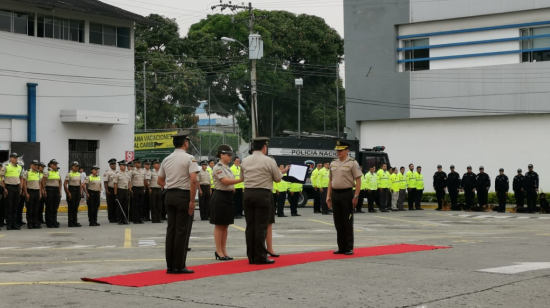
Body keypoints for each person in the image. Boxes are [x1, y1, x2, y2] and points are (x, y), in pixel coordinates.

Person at [157, 130, 199, 274]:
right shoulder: (189, 159)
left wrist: (170, 186)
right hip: (183, 196)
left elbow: (159, 180)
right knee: (182, 231)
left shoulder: (166, 159)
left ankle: (170, 265)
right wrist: (192, 201)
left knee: (171, 230)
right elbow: (193, 180)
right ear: (185, 143)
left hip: (169, 195)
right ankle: (179, 265)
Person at [242, 137, 288, 265]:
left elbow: (241, 177)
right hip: (263, 194)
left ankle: (251, 256)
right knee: (261, 226)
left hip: (248, 193)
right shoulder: (269, 160)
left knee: (250, 226)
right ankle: (260, 256)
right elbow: (278, 179)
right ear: (264, 147)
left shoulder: (245, 160)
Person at [327, 140, 362, 256]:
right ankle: (341, 247)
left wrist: (356, 196)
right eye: (337, 150)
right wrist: (328, 196)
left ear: (347, 151)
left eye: (340, 150)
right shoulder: (333, 163)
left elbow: (358, 180)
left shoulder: (352, 163)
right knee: (338, 221)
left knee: (347, 221)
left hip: (347, 194)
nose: (338, 152)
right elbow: (330, 181)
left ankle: (348, 247)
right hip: (335, 194)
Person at [210, 144, 243, 261]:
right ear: (221, 154)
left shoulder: (227, 167)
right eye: (228, 155)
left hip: (228, 196)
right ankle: (218, 251)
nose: (230, 157)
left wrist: (233, 188)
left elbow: (230, 183)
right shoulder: (218, 167)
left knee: (226, 225)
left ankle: (223, 250)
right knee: (219, 225)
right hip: (220, 196)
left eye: (231, 155)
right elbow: (225, 181)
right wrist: (241, 179)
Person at [1, 153, 23, 230]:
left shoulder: (20, 167)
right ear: (10, 158)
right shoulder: (6, 166)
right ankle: (9, 224)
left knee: (15, 206)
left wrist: (20, 187)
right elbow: (2, 177)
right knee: (9, 207)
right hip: (9, 187)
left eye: (16, 157)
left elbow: (21, 178)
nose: (16, 159)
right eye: (14, 157)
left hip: (17, 187)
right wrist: (4, 188)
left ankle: (14, 223)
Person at [41, 159, 62, 228]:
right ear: (50, 165)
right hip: (49, 189)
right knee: (49, 207)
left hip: (56, 190)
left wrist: (60, 191)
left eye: (56, 164)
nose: (56, 166)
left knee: (55, 207)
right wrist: (44, 190)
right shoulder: (47, 172)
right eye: (55, 164)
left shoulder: (57, 172)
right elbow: (43, 182)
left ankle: (54, 221)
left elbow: (60, 182)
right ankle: (49, 222)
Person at [23, 160, 41, 229]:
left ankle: (35, 222)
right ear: (31, 165)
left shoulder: (38, 173)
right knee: (30, 208)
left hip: (36, 191)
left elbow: (39, 183)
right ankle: (30, 223)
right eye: (35, 165)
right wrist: (26, 193)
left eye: (37, 165)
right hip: (30, 191)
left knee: (36, 209)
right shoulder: (27, 172)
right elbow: (24, 183)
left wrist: (39, 193)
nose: (36, 166)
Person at [64, 161, 83, 227]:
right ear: (72, 167)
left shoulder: (78, 174)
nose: (76, 167)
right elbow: (65, 184)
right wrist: (68, 192)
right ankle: (70, 222)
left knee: (76, 207)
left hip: (77, 189)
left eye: (77, 166)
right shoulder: (69, 174)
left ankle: (75, 221)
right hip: (71, 189)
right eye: (75, 166)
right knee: (71, 207)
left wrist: (80, 192)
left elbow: (80, 183)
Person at [129, 158, 146, 224]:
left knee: (141, 204)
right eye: (138, 163)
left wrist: (144, 188)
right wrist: (130, 188)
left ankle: (140, 218)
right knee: (135, 204)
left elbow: (144, 180)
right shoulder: (132, 171)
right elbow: (129, 180)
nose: (139, 164)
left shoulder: (142, 171)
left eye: (140, 163)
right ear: (135, 164)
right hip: (135, 188)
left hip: (141, 188)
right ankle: (135, 219)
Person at [113, 160, 130, 225]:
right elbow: (115, 184)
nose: (124, 167)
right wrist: (115, 193)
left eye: (125, 165)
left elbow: (129, 182)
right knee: (120, 206)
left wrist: (129, 189)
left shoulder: (127, 173)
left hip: (126, 190)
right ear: (120, 166)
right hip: (120, 190)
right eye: (123, 165)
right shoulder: (117, 174)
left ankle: (124, 219)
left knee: (125, 206)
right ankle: (120, 219)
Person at [103, 158, 118, 223]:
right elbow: (105, 182)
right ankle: (111, 218)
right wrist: (107, 190)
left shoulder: (118, 171)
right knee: (111, 204)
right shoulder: (107, 172)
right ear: (110, 165)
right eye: (112, 164)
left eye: (114, 164)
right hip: (110, 189)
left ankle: (116, 217)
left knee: (116, 204)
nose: (114, 165)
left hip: (117, 189)